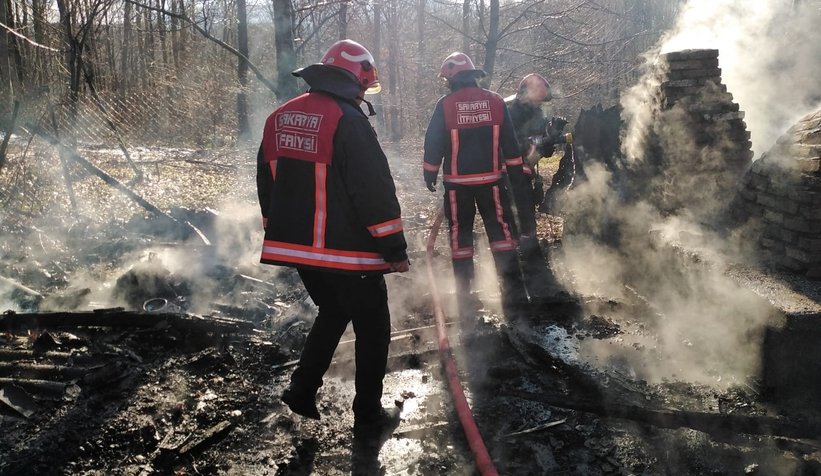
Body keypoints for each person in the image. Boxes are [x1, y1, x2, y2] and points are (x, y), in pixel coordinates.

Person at [256, 39, 409, 440]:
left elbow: (266, 182)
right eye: (363, 83)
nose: (363, 92)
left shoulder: (279, 116)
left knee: (333, 311)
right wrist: (394, 247)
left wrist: (277, 228)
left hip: (299, 250)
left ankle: (302, 389)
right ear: (354, 77)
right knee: (374, 326)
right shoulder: (348, 120)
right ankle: (368, 414)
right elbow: (373, 190)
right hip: (347, 252)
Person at [422, 51, 529, 323]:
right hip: (493, 183)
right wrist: (516, 173)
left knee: (460, 240)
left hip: (458, 187)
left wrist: (430, 172)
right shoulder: (495, 101)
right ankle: (515, 295)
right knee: (502, 234)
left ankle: (466, 300)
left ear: (452, 79)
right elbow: (510, 142)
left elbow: (433, 142)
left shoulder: (445, 105)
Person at [505, 73, 572, 299]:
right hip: (504, 173)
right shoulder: (508, 111)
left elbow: (542, 151)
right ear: (524, 94)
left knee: (526, 218)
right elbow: (514, 146)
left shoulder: (537, 113)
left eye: (540, 102)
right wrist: (543, 140)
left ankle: (530, 262)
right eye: (535, 100)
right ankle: (513, 268)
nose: (538, 105)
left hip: (524, 172)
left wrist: (551, 136)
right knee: (511, 219)